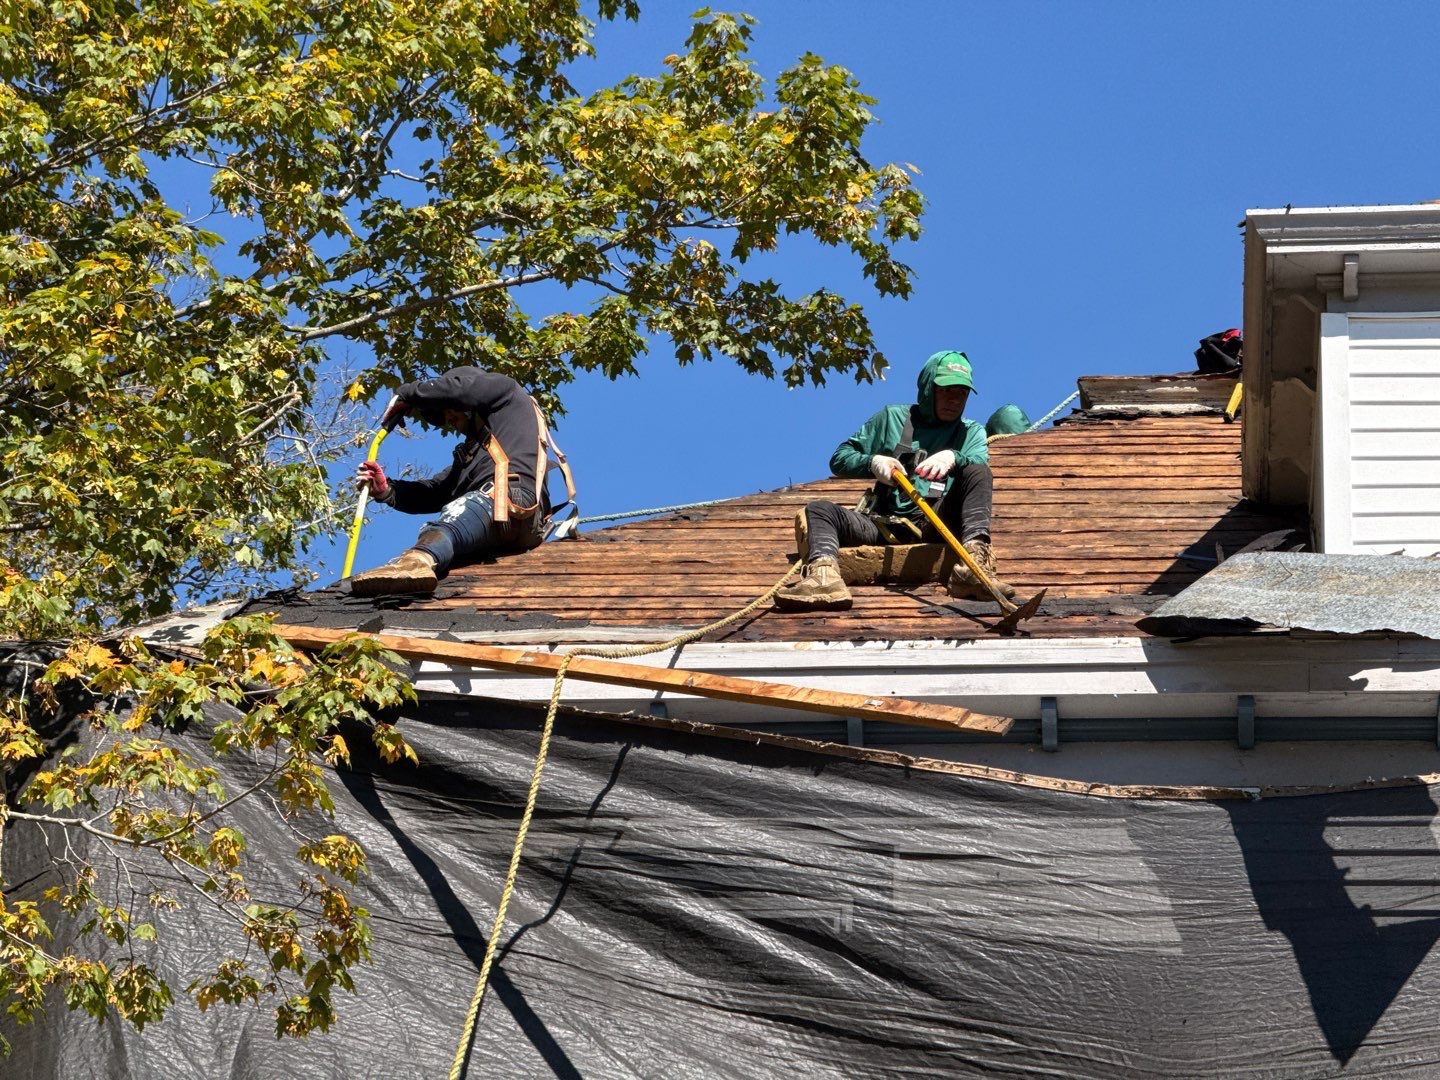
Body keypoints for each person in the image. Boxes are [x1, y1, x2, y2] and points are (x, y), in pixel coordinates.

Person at [774, 349, 1015, 611]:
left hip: (935, 521)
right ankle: (823, 578)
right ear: (928, 389)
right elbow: (840, 457)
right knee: (819, 510)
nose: (954, 400)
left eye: (962, 393)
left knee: (979, 472)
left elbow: (978, 462)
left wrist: (954, 457)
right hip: (882, 524)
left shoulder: (970, 432)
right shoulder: (892, 419)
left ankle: (974, 566)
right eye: (946, 390)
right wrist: (873, 462)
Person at [349, 366, 570, 596]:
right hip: (496, 523)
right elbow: (436, 492)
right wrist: (387, 491)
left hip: (512, 503)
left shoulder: (506, 391)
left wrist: (407, 393)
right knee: (451, 544)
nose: (448, 418)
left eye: (449, 410)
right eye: (444, 415)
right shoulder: (473, 454)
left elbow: (463, 391)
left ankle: (415, 563)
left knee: (452, 518)